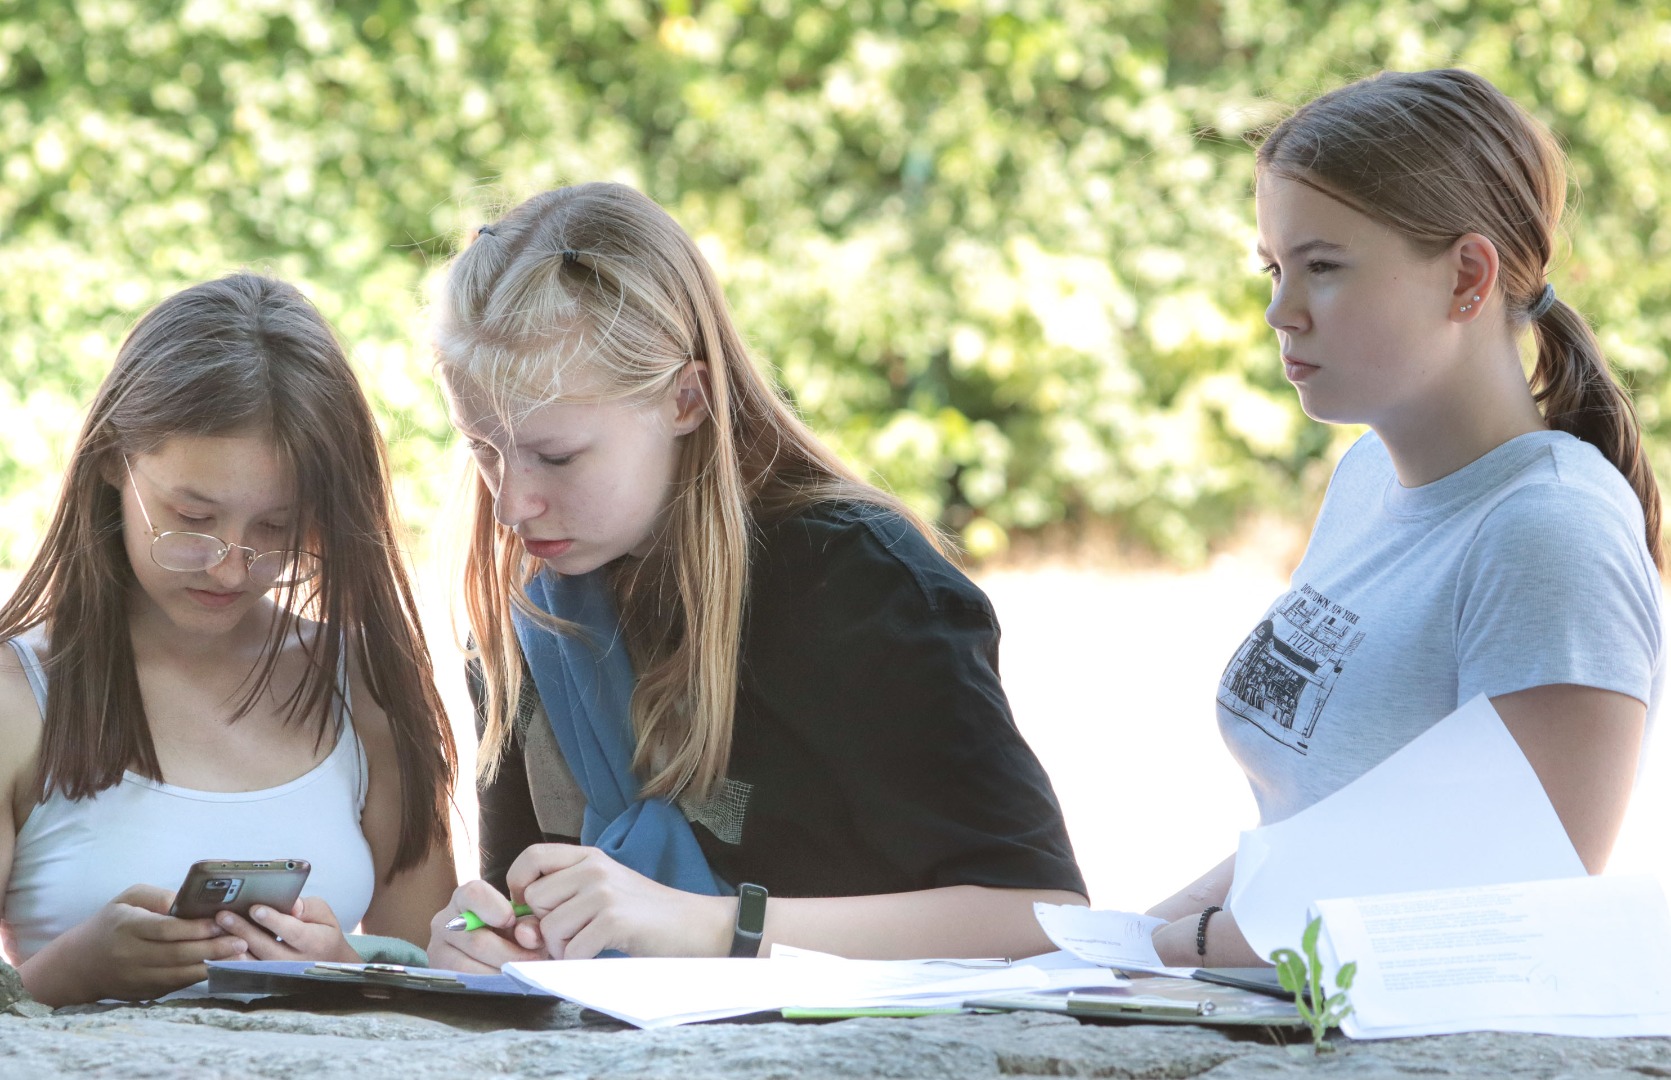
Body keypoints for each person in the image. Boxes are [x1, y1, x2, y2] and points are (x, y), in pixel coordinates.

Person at [425, 182, 1085, 969]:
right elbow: (531, 903)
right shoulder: (524, 614)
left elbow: (1043, 915)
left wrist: (704, 925)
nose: (511, 504)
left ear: (687, 398)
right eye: (481, 449)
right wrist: (485, 938)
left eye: (555, 455)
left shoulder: (854, 581)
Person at [1148, 68, 1664, 965]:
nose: (1280, 311)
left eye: (1321, 267)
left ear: (1467, 276)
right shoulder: (1362, 479)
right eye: (1274, 268)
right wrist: (1111, 945)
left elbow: (1511, 909)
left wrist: (1180, 948)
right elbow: (1302, 838)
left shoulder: (1550, 532)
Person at [0, 274, 458, 1004]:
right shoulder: (17, 695)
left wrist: (348, 967)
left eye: (274, 528)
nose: (229, 565)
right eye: (192, 516)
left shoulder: (363, 681)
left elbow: (443, 996)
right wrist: (66, 974)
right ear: (114, 459)